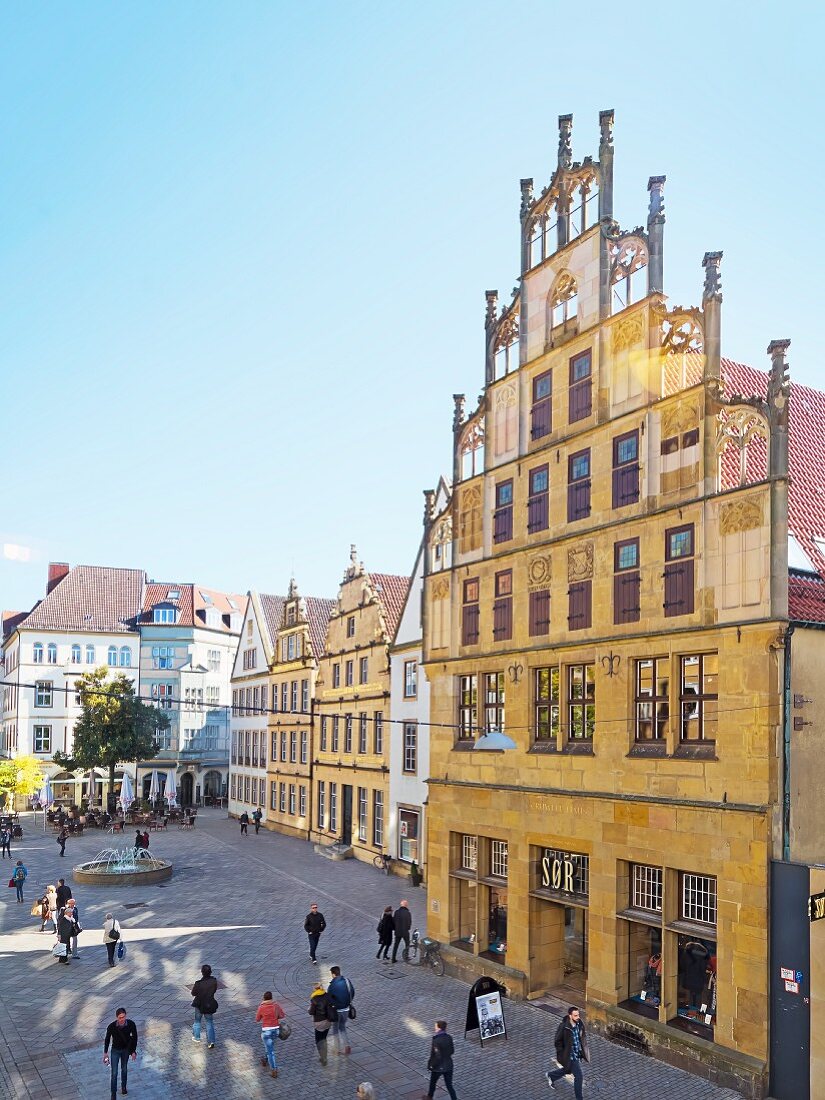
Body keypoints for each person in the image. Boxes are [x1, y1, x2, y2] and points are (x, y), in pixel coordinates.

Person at [546, 1006, 589, 1097]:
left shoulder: (579, 1023)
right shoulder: (564, 1027)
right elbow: (557, 1041)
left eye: (578, 1015)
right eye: (575, 1015)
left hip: (577, 1053)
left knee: (568, 1069)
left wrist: (582, 1050)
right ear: (570, 1016)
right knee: (579, 1076)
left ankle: (551, 1075)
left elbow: (581, 1036)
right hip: (569, 1055)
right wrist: (563, 1054)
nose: (578, 1017)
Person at [103, 1007, 138, 1100]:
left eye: (123, 1017)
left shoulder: (131, 1024)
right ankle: (113, 1094)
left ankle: (123, 1087)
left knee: (124, 1069)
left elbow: (135, 1038)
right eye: (120, 1017)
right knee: (114, 1073)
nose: (122, 1019)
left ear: (125, 1016)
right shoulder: (111, 1026)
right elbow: (107, 1039)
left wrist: (133, 1051)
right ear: (116, 1018)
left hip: (125, 1050)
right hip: (115, 1050)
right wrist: (105, 1052)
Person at [423, 1020, 457, 1100]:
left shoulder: (436, 1041)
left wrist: (431, 1065)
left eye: (435, 1026)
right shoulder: (449, 1037)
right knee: (449, 1085)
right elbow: (452, 1051)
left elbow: (437, 1056)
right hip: (449, 1065)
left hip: (438, 1068)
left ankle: (429, 1097)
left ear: (439, 1028)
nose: (434, 1028)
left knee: (433, 1083)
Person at [256, 990, 285, 1078]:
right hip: (276, 1030)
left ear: (264, 998)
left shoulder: (261, 1007)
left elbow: (257, 1019)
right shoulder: (275, 1005)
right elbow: (282, 1015)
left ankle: (274, 1069)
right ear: (271, 998)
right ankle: (265, 1059)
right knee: (270, 1047)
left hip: (266, 1031)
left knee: (270, 1052)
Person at [308, 981, 337, 1066]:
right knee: (324, 1039)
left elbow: (311, 1012)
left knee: (318, 1040)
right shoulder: (327, 995)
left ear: (314, 989)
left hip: (319, 1022)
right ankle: (324, 1056)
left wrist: (309, 1009)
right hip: (328, 1021)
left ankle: (323, 1057)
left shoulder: (314, 999)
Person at [328, 965, 354, 1055]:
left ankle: (337, 1049)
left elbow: (329, 999)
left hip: (337, 1011)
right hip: (346, 1009)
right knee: (342, 1027)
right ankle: (347, 1045)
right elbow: (352, 992)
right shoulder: (347, 981)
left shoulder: (332, 985)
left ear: (334, 974)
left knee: (335, 1029)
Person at [191, 963, 219, 1048]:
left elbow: (193, 993)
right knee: (209, 1022)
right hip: (209, 1004)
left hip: (199, 1004)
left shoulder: (198, 983)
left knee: (197, 1021)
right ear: (210, 972)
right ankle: (211, 1041)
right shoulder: (214, 981)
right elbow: (214, 990)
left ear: (202, 972)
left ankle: (197, 1037)